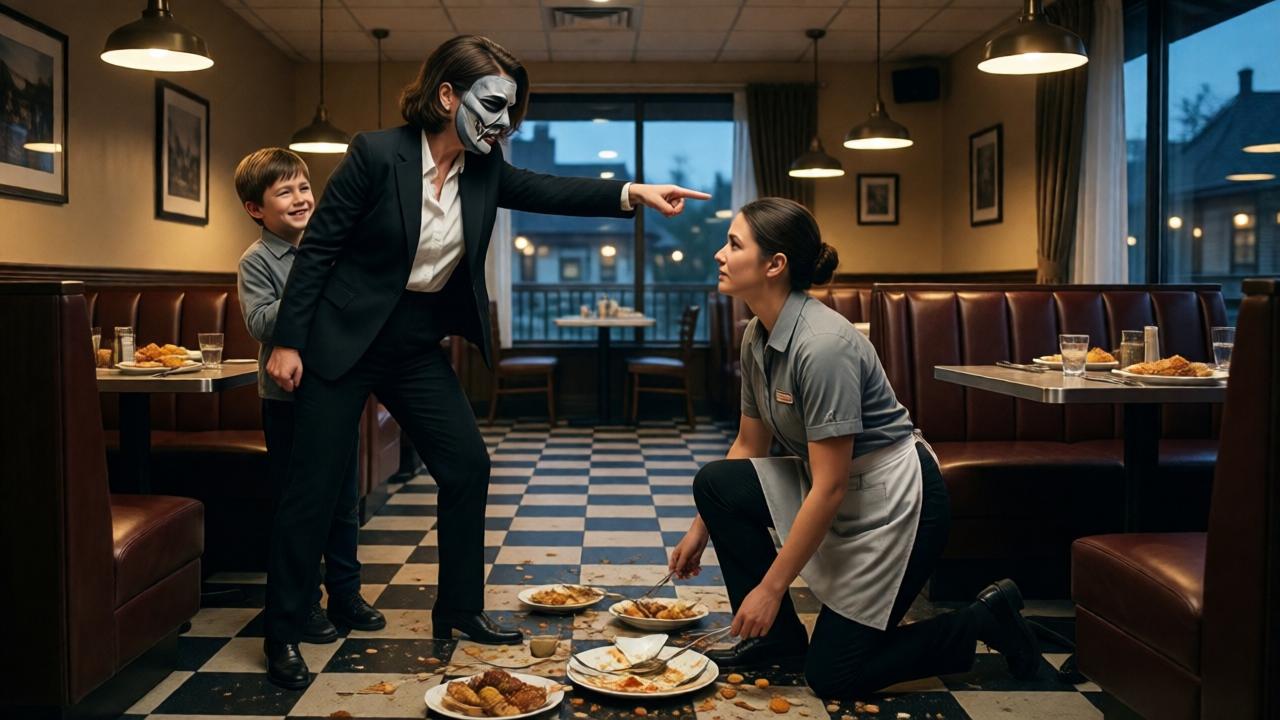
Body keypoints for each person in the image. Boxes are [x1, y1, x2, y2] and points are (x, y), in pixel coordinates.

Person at [262, 35, 710, 689]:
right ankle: (283, 631)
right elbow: (319, 251)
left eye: (511, 110)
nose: (504, 123)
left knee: (468, 464)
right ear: (447, 95)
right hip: (343, 341)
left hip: (415, 345)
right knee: (314, 487)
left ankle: (460, 609)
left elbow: (551, 189)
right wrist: (287, 341)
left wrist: (634, 192)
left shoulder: (485, 169)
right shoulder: (375, 154)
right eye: (494, 105)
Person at [668, 198, 1040, 698]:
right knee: (715, 483)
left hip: (897, 500)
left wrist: (772, 588)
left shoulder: (822, 346)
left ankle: (980, 621)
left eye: (733, 244)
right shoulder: (757, 333)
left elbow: (831, 485)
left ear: (775, 265)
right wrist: (701, 530)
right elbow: (748, 443)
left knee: (834, 677)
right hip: (840, 483)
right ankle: (776, 643)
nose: (719, 254)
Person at [234, 148, 382, 653]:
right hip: (287, 400)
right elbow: (259, 322)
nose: (300, 199)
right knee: (300, 508)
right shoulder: (257, 261)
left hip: (336, 390)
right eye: (284, 192)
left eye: (303, 187)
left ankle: (346, 594)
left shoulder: (332, 245)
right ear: (257, 209)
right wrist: (312, 277)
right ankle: (306, 604)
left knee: (344, 503)